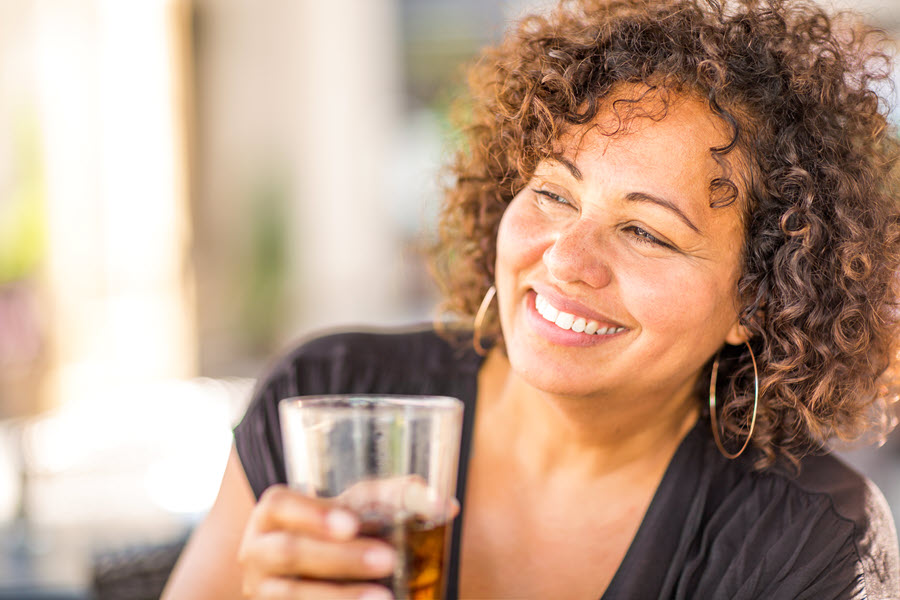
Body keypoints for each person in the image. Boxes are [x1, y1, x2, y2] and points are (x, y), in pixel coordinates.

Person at [162, 0, 900, 598]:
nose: (567, 260)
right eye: (552, 193)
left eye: (645, 232)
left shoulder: (807, 544)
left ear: (759, 299)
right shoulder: (332, 396)